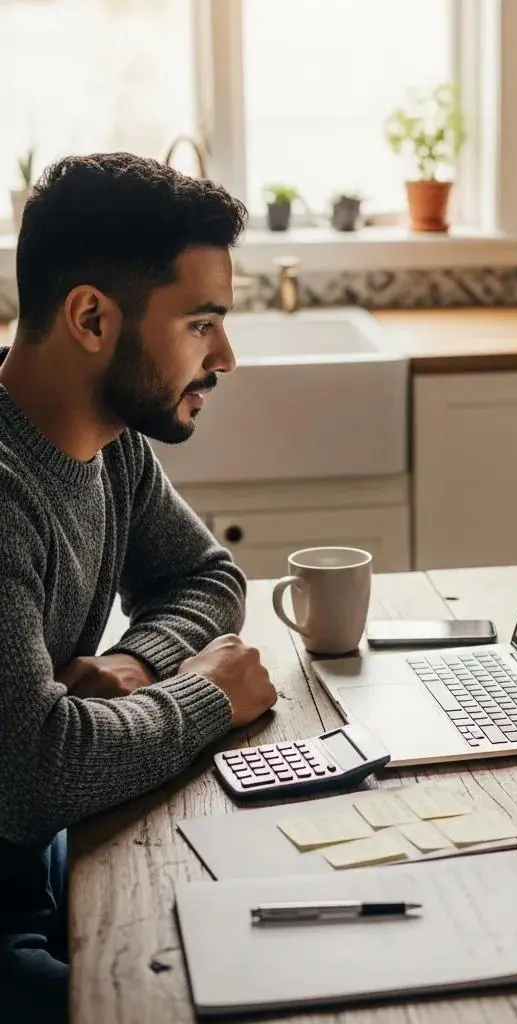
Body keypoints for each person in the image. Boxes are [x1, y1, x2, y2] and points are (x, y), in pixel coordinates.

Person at [0, 152, 278, 1022]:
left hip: (37, 864)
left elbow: (205, 575)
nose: (225, 356)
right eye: (201, 323)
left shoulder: (108, 442)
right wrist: (205, 697)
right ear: (91, 317)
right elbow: (31, 773)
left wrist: (136, 664)